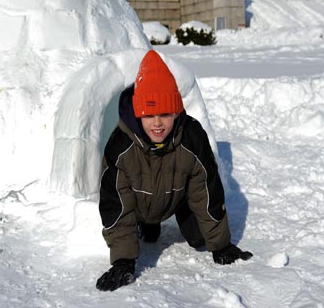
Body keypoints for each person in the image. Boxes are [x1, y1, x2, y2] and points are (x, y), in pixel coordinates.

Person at [96, 50, 252, 291]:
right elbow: (116, 205)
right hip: (137, 204)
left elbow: (206, 191)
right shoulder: (121, 147)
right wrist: (123, 260)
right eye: (149, 114)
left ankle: (167, 223)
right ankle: (146, 224)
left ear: (177, 112)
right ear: (138, 113)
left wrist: (221, 245)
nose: (157, 123)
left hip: (176, 198)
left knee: (200, 238)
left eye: (166, 114)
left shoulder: (191, 137)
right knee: (146, 232)